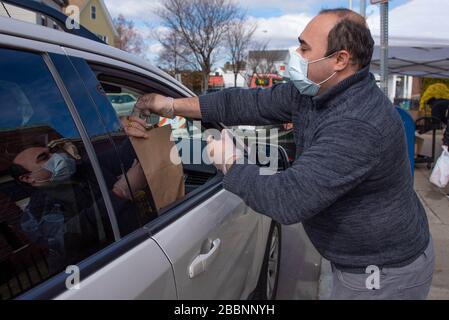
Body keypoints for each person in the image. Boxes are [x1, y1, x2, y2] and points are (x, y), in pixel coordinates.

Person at [128, 8, 434, 300]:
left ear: (340, 59)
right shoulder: (313, 91)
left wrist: (231, 163)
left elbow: (288, 200)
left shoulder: (358, 123)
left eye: (304, 48)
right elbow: (244, 104)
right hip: (354, 258)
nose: (295, 56)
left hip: (383, 272)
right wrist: (169, 104)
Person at [9, 134, 147, 271]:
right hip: (99, 271)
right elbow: (67, 236)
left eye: (51, 152)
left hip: (138, 248)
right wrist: (120, 193)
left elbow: (125, 152)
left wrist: (142, 119)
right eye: (44, 158)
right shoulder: (36, 211)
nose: (56, 156)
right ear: (28, 178)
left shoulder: (87, 169)